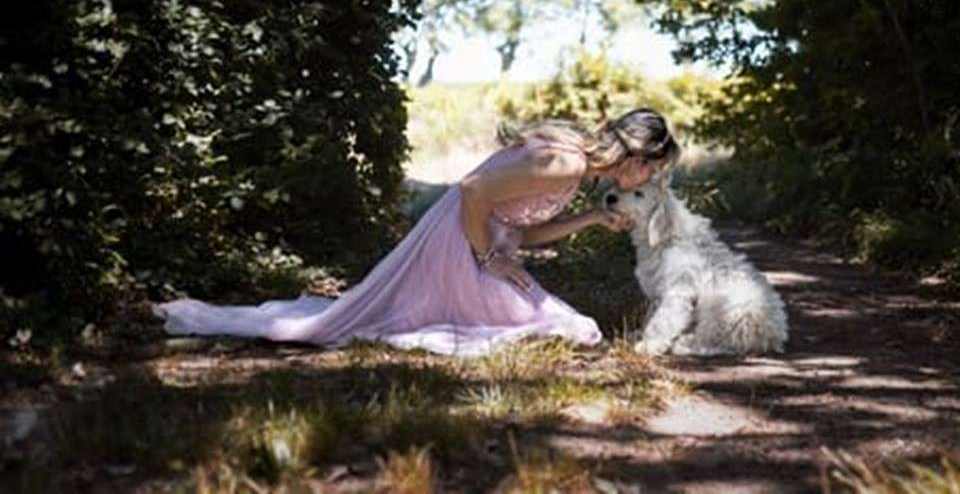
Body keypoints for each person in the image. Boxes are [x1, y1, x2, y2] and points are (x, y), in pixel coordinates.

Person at [153, 108, 680, 357]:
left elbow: (523, 233)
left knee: (563, 323)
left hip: (480, 237)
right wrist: (486, 259)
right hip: (460, 240)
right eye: (653, 169)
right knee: (565, 326)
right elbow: (473, 190)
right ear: (635, 157)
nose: (650, 178)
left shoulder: (576, 167)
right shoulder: (565, 163)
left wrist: (591, 219)